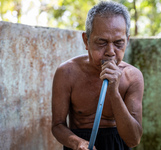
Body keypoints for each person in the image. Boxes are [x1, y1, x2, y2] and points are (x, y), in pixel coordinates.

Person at [51, 1, 144, 150]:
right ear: (86, 41)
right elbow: (57, 125)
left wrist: (114, 92)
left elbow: (133, 140)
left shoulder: (132, 77)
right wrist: (77, 143)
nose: (110, 52)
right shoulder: (67, 73)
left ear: (127, 41)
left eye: (119, 43)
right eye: (101, 42)